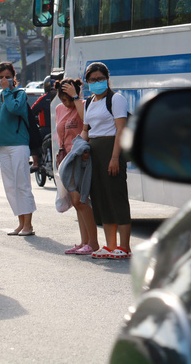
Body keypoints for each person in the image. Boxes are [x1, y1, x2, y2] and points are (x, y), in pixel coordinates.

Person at [80, 62, 132, 259]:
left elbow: (121, 129)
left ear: (107, 79)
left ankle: (124, 246)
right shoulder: (88, 102)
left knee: (116, 196)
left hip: (112, 150)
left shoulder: (116, 99)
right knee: (101, 198)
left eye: (100, 79)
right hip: (94, 152)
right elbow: (86, 130)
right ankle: (110, 245)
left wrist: (115, 158)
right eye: (92, 80)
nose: (97, 82)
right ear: (87, 82)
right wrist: (80, 150)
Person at [0, 62, 36, 236]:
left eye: (7, 77)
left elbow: (14, 108)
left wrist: (8, 90)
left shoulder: (19, 94)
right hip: (3, 147)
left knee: (22, 184)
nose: (4, 80)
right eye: (1, 77)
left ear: (13, 77)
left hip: (19, 145)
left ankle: (28, 225)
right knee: (10, 186)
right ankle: (20, 223)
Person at [56, 78, 99, 255]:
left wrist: (75, 98)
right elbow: (59, 132)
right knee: (76, 202)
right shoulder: (59, 109)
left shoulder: (83, 105)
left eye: (68, 99)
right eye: (63, 100)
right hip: (67, 158)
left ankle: (93, 243)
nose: (66, 104)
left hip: (81, 158)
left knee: (80, 200)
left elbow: (86, 121)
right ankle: (84, 242)